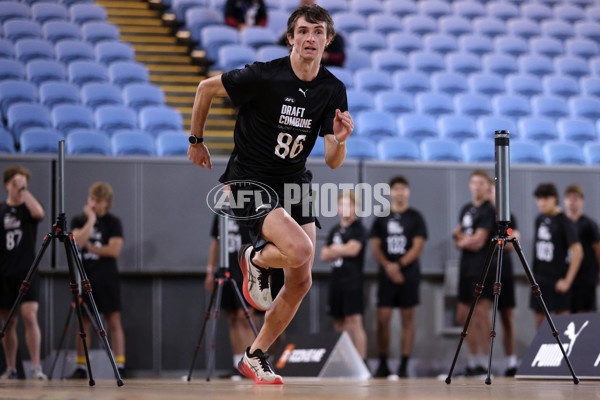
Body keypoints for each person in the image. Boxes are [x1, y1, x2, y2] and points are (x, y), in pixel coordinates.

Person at [188, 4, 353, 385]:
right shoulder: (264, 75)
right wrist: (196, 141)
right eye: (303, 31)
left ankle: (254, 354)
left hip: (293, 181)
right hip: (249, 180)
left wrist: (341, 141)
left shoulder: (332, 88)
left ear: (328, 40)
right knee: (300, 250)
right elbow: (204, 88)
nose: (310, 38)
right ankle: (257, 259)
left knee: (302, 279)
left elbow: (332, 161)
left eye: (317, 32)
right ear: (291, 37)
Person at [370, 175, 427, 379]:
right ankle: (383, 361)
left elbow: (418, 245)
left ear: (408, 191)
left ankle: (404, 363)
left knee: (407, 317)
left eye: (403, 188)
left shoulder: (415, 217)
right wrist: (388, 266)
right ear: (391, 192)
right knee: (382, 318)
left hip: (408, 273)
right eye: (396, 189)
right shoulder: (382, 217)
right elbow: (375, 246)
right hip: (386, 274)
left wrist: (400, 266)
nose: (400, 192)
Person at [69, 182, 126, 379]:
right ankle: (82, 366)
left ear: (107, 203)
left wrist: (90, 247)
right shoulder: (79, 220)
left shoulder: (113, 222)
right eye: (91, 199)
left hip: (107, 279)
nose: (93, 204)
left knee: (113, 320)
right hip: (85, 277)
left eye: (98, 201)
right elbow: (76, 242)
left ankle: (120, 364)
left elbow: (113, 250)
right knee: (83, 322)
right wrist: (91, 220)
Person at [0, 166, 46, 380]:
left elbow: (40, 213)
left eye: (23, 183)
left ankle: (36, 368)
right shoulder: (1, 210)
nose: (18, 187)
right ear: (6, 184)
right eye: (15, 183)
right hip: (4, 272)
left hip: (27, 270)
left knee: (29, 316)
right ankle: (11, 368)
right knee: (8, 322)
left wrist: (24, 190)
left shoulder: (29, 208)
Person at [453, 170, 495, 377]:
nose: (477, 187)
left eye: (481, 183)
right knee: (463, 314)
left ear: (488, 187)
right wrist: (463, 239)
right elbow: (456, 236)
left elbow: (478, 241)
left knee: (481, 315)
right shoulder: (466, 210)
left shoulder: (489, 210)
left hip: (483, 267)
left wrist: (463, 240)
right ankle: (472, 361)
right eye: (474, 183)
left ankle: (485, 363)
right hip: (465, 268)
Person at [206, 211, 258, 378]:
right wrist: (210, 269)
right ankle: (238, 365)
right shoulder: (221, 212)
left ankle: (251, 363)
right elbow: (216, 241)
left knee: (246, 317)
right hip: (226, 268)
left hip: (245, 268)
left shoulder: (249, 207)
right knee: (233, 318)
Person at [319, 191, 367, 362]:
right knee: (338, 322)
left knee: (353, 320)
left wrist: (335, 249)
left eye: (348, 204)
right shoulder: (334, 230)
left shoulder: (358, 229)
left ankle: (361, 361)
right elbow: (323, 255)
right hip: (336, 281)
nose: (344, 208)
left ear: (355, 207)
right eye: (341, 204)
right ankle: (346, 361)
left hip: (352, 281)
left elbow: (353, 250)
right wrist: (340, 249)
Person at [531, 183, 582, 328]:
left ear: (554, 199)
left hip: (558, 278)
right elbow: (536, 248)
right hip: (541, 278)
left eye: (546, 198)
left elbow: (577, 251)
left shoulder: (564, 221)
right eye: (539, 198)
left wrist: (567, 281)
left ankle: (565, 351)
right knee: (540, 323)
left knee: (563, 324)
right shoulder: (539, 219)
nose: (542, 202)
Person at [488, 181, 520, 377]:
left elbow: (511, 238)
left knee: (507, 318)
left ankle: (511, 362)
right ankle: (483, 362)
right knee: (482, 317)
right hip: (484, 270)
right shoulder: (481, 215)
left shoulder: (507, 217)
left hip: (504, 271)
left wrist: (505, 239)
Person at [563, 184, 600, 314]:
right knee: (564, 317)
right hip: (565, 276)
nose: (572, 201)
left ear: (582, 202)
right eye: (569, 198)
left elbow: (598, 250)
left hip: (585, 278)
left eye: (576, 198)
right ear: (564, 201)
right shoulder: (560, 223)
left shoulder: (590, 224)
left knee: (584, 318)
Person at [277, 0, 345, 67]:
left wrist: (326, 56)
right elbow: (278, 51)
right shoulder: (291, 35)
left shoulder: (335, 37)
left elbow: (340, 58)